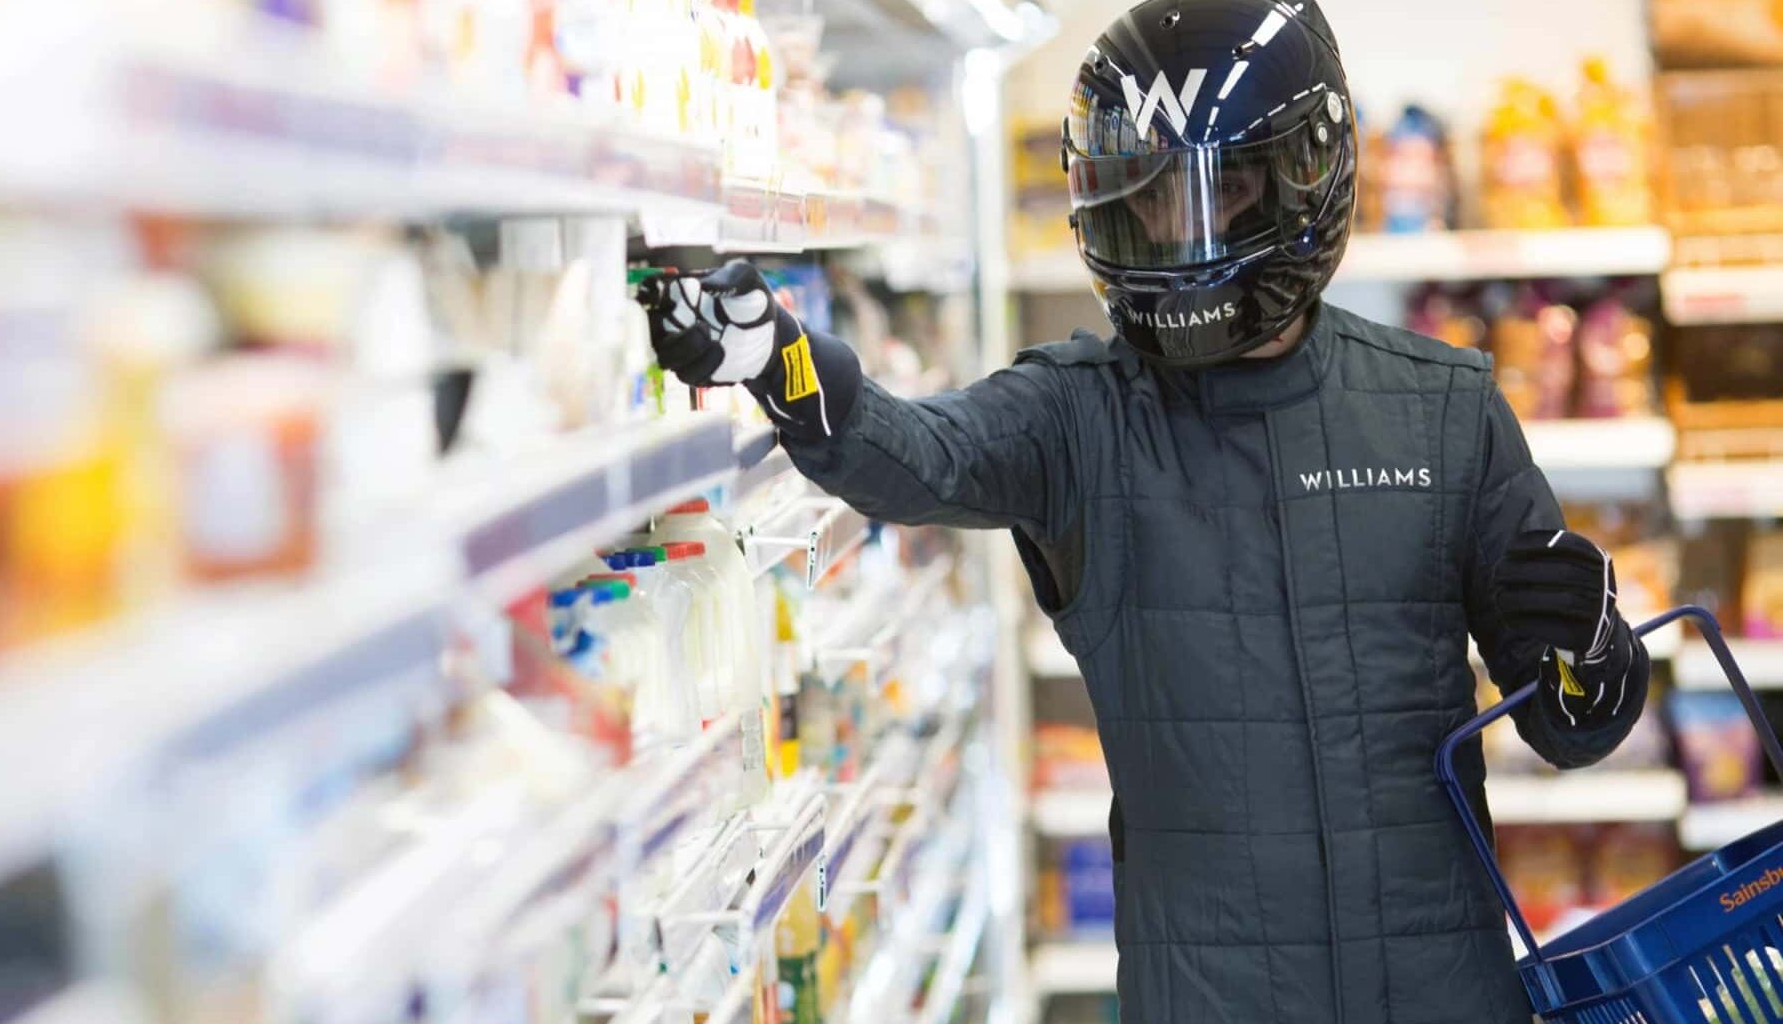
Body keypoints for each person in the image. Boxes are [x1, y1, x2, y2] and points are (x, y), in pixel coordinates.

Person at [642, 1, 1648, 1020]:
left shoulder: (1444, 409)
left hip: (1441, 996)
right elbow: (919, 454)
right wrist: (781, 359)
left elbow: (1572, 723)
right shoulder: (1082, 417)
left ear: (1312, 171)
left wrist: (1596, 655)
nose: (1186, 227)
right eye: (1156, 195)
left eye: (1231, 185)